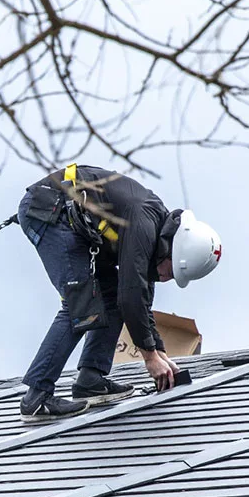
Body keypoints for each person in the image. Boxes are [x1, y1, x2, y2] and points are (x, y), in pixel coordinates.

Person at [16, 164, 222, 422]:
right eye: (171, 272)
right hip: (51, 213)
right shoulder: (144, 222)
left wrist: (158, 351)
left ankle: (91, 379)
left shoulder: (155, 230)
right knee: (79, 305)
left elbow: (139, 295)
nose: (167, 279)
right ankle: (36, 398)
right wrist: (149, 358)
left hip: (74, 222)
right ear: (172, 251)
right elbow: (132, 293)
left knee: (110, 295)